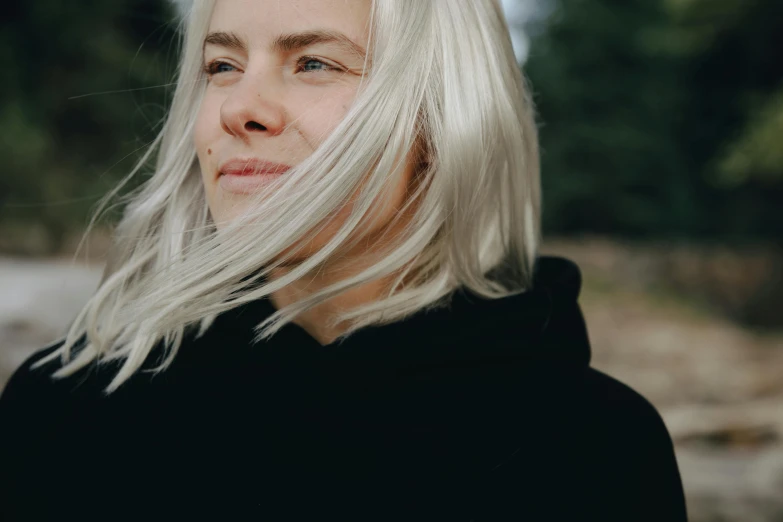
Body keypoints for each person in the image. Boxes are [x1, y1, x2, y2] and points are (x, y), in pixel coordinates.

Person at [0, 0, 688, 520]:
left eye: (313, 63)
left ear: (439, 116)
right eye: (222, 66)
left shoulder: (590, 448)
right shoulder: (66, 412)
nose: (241, 107)